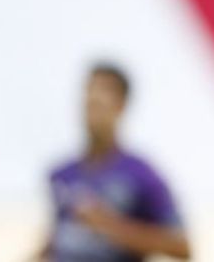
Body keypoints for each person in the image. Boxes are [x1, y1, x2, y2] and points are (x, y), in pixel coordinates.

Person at [37, 64, 191, 261]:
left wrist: (109, 225)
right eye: (89, 92)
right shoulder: (62, 174)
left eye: (103, 93)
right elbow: (59, 239)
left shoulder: (141, 175)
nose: (93, 98)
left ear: (121, 106)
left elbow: (182, 246)